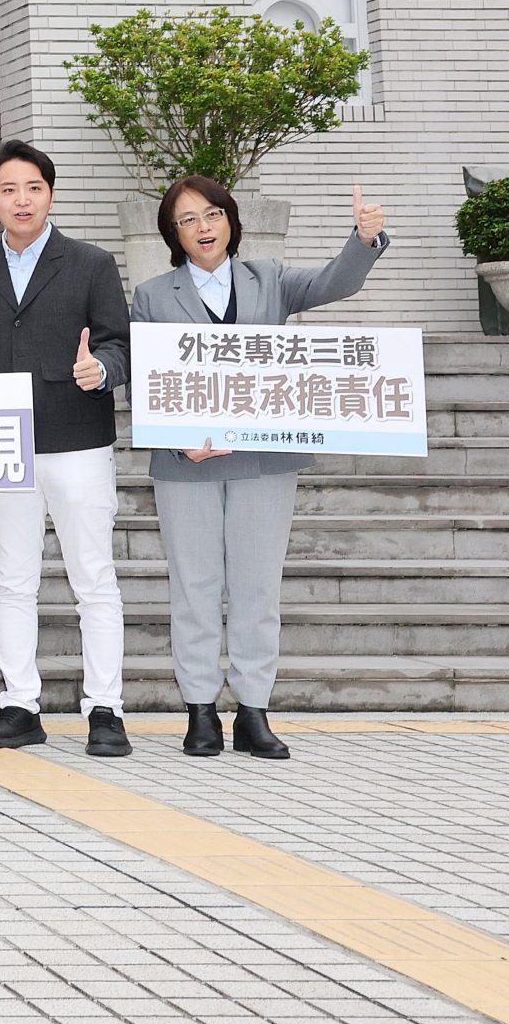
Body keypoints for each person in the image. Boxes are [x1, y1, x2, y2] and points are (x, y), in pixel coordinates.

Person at [131, 177, 388, 761]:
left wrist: (363, 240)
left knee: (257, 587)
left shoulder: (269, 278)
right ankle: (200, 710)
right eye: (187, 220)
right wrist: (177, 441)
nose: (203, 227)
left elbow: (335, 283)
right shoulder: (152, 295)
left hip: (265, 459)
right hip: (187, 463)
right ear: (172, 234)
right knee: (194, 589)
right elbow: (145, 381)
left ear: (231, 220)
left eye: (212, 214)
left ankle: (253, 710)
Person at [0, 141, 133, 757]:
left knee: (94, 579)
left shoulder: (91, 263)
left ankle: (105, 709)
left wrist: (101, 370)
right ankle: (19, 705)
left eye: (33, 187)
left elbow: (119, 343)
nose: (22, 200)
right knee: (11, 581)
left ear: (50, 195)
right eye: (8, 190)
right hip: (3, 446)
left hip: (76, 438)